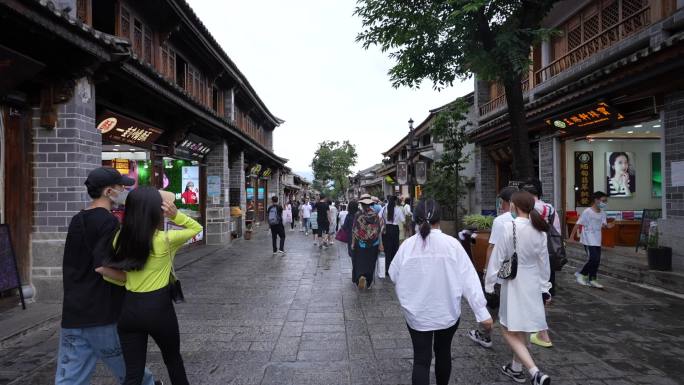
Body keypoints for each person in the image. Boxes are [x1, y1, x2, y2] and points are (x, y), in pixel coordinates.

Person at [56, 168, 160, 385]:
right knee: (133, 370)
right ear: (109, 191)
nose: (125, 190)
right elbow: (103, 266)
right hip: (102, 312)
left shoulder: (78, 219)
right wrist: (135, 281)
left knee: (71, 377)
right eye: (121, 187)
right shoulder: (108, 222)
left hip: (74, 311)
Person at [102, 186, 202, 385]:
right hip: (159, 310)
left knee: (133, 373)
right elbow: (197, 229)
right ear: (155, 212)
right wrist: (176, 215)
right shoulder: (166, 240)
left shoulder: (119, 239)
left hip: (129, 310)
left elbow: (116, 275)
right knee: (173, 360)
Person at [390, 199, 493, 385]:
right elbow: (469, 279)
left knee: (421, 360)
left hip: (417, 313)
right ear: (440, 218)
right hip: (447, 311)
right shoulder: (452, 244)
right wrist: (482, 313)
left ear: (415, 218)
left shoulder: (408, 245)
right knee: (444, 353)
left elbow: (393, 274)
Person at [485, 191, 552, 385]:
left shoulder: (509, 227)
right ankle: (516, 368)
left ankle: (535, 372)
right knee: (521, 326)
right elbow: (544, 263)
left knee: (508, 329)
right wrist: (544, 287)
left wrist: (489, 284)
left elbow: (497, 258)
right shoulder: (539, 230)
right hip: (532, 281)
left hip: (513, 281)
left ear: (514, 206)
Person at [468, 185, 518, 349]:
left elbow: (492, 247)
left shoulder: (501, 221)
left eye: (501, 202)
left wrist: (486, 270)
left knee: (493, 303)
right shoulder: (528, 219)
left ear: (507, 203)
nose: (500, 206)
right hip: (521, 271)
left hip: (502, 269)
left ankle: (485, 334)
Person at [519, 178, 558, 349]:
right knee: (543, 292)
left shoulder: (523, 208)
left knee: (527, 295)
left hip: (527, 256)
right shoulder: (549, 208)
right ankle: (541, 331)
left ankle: (538, 331)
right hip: (546, 253)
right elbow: (556, 231)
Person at [570, 191, 614, 288]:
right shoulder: (587, 212)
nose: (605, 203)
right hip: (588, 239)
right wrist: (571, 236)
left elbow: (603, 225)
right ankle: (581, 274)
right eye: (603, 201)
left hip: (597, 239)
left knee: (597, 260)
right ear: (596, 200)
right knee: (593, 258)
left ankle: (592, 279)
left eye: (606, 201)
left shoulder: (603, 213)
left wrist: (608, 226)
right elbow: (578, 223)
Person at [351, 194, 381, 289]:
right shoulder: (375, 215)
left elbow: (354, 230)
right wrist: (381, 244)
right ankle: (368, 282)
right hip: (374, 243)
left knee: (360, 261)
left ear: (362, 204)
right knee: (371, 262)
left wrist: (352, 243)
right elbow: (379, 230)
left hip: (361, 243)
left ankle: (360, 276)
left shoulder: (358, 215)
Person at [380, 195, 405, 274]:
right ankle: (392, 269)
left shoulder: (384, 208)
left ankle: (386, 269)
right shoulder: (398, 209)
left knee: (387, 250)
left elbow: (379, 216)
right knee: (394, 249)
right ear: (395, 201)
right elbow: (403, 220)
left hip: (386, 229)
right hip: (394, 229)